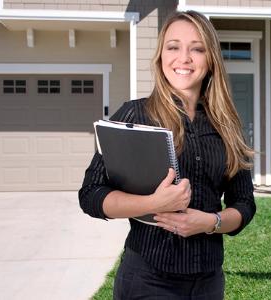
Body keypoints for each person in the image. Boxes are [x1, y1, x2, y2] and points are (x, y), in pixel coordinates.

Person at [79, 10, 256, 299]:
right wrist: (152, 203)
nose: (183, 58)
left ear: (210, 59)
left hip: (208, 283)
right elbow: (91, 195)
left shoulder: (227, 125)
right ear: (161, 57)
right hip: (148, 279)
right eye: (173, 47)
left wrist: (211, 222)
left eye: (196, 48)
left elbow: (244, 204)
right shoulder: (135, 115)